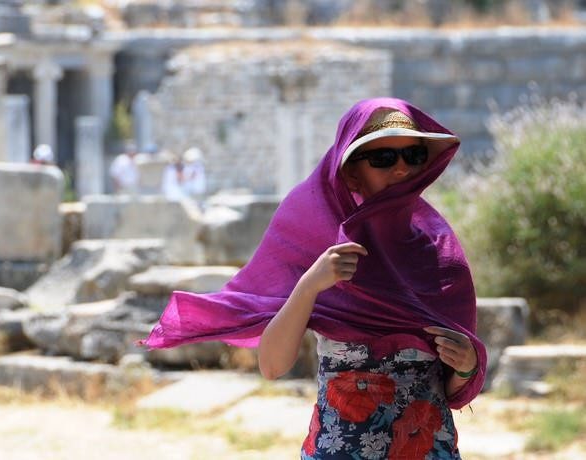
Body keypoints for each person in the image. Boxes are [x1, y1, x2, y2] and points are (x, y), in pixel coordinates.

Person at [140, 97, 487, 459]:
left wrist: (466, 367)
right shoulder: (317, 245)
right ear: (351, 171)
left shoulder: (440, 256)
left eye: (412, 155)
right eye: (383, 158)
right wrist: (310, 285)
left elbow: (449, 392)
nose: (401, 168)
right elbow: (272, 366)